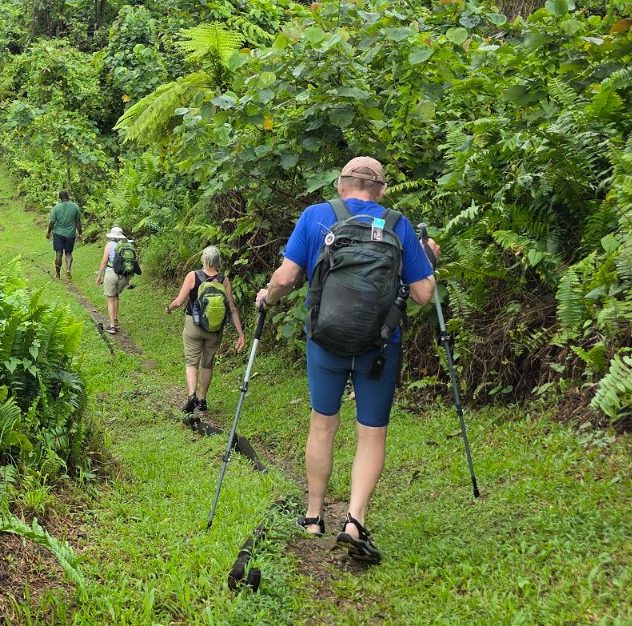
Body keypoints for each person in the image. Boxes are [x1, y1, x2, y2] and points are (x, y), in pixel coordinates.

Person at [255, 157, 439, 565]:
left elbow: (285, 278)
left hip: (326, 341)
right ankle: (354, 522)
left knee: (323, 424)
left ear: (340, 185)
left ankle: (313, 517)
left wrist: (268, 296)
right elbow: (424, 294)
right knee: (371, 433)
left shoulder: (315, 216)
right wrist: (430, 261)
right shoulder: (398, 225)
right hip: (380, 346)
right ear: (381, 190)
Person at [166, 246, 245, 414]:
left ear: (203, 259)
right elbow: (232, 309)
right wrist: (240, 334)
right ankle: (202, 400)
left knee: (191, 362)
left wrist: (169, 308)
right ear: (218, 262)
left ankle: (191, 395)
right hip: (214, 329)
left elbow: (179, 301)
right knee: (207, 364)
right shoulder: (224, 280)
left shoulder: (193, 276)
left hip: (193, 325)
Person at [94, 226, 133, 335]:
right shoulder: (127, 245)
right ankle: (115, 320)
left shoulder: (109, 245)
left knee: (110, 299)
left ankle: (112, 326)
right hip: (124, 276)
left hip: (111, 274)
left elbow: (104, 261)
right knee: (116, 296)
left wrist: (99, 276)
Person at [46, 190, 82, 279]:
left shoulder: (56, 208)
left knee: (58, 254)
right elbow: (78, 221)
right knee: (68, 253)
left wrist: (49, 232)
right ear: (68, 196)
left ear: (60, 198)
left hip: (58, 233)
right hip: (70, 234)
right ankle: (68, 269)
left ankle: (58, 274)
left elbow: (52, 222)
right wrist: (80, 233)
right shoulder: (75, 206)